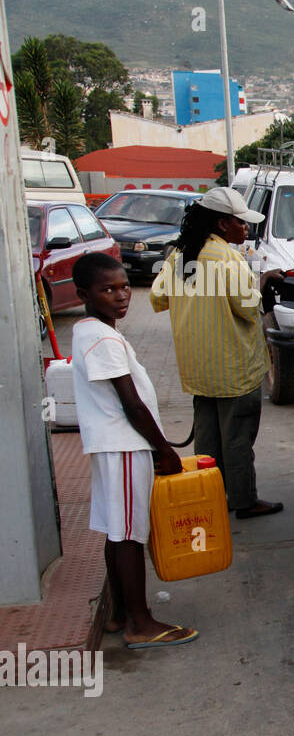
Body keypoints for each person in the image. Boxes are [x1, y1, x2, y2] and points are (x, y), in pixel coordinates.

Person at [71, 253, 198, 649]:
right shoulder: (102, 337)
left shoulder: (91, 330)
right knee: (129, 534)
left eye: (124, 287)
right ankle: (140, 624)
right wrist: (163, 449)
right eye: (108, 290)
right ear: (83, 294)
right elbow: (131, 403)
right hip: (124, 445)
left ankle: (121, 614)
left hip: (114, 446)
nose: (121, 296)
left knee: (117, 531)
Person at [151, 187, 286, 516]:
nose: (247, 229)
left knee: (208, 442)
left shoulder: (184, 254)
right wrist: (265, 283)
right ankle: (244, 501)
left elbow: (158, 299)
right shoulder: (226, 257)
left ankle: (209, 498)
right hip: (233, 369)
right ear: (224, 224)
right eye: (242, 223)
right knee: (237, 439)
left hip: (198, 369)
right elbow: (246, 307)